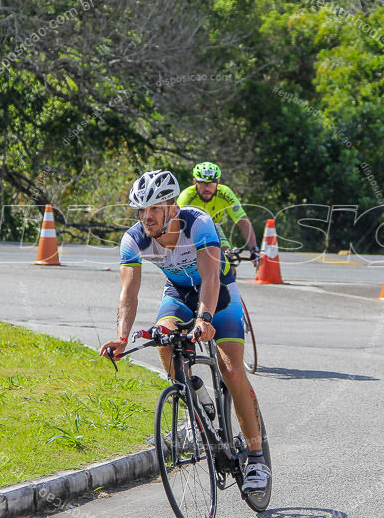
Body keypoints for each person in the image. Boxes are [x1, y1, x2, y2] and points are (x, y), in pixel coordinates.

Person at [99, 170, 270, 491]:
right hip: (177, 294)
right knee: (162, 339)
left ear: (171, 208)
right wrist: (122, 337)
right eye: (141, 210)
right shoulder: (133, 240)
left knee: (232, 369)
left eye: (154, 209)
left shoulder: (197, 223)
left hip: (220, 293)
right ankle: (197, 401)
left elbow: (211, 278)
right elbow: (128, 294)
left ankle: (257, 457)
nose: (146, 217)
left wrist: (204, 318)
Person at [177, 161, 259, 268]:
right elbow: (175, 225)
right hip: (190, 230)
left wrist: (254, 249)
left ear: (218, 182)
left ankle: (229, 282)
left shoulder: (225, 193)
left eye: (211, 184)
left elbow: (243, 221)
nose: (207, 188)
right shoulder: (186, 197)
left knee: (228, 260)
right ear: (195, 182)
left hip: (214, 227)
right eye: (202, 184)